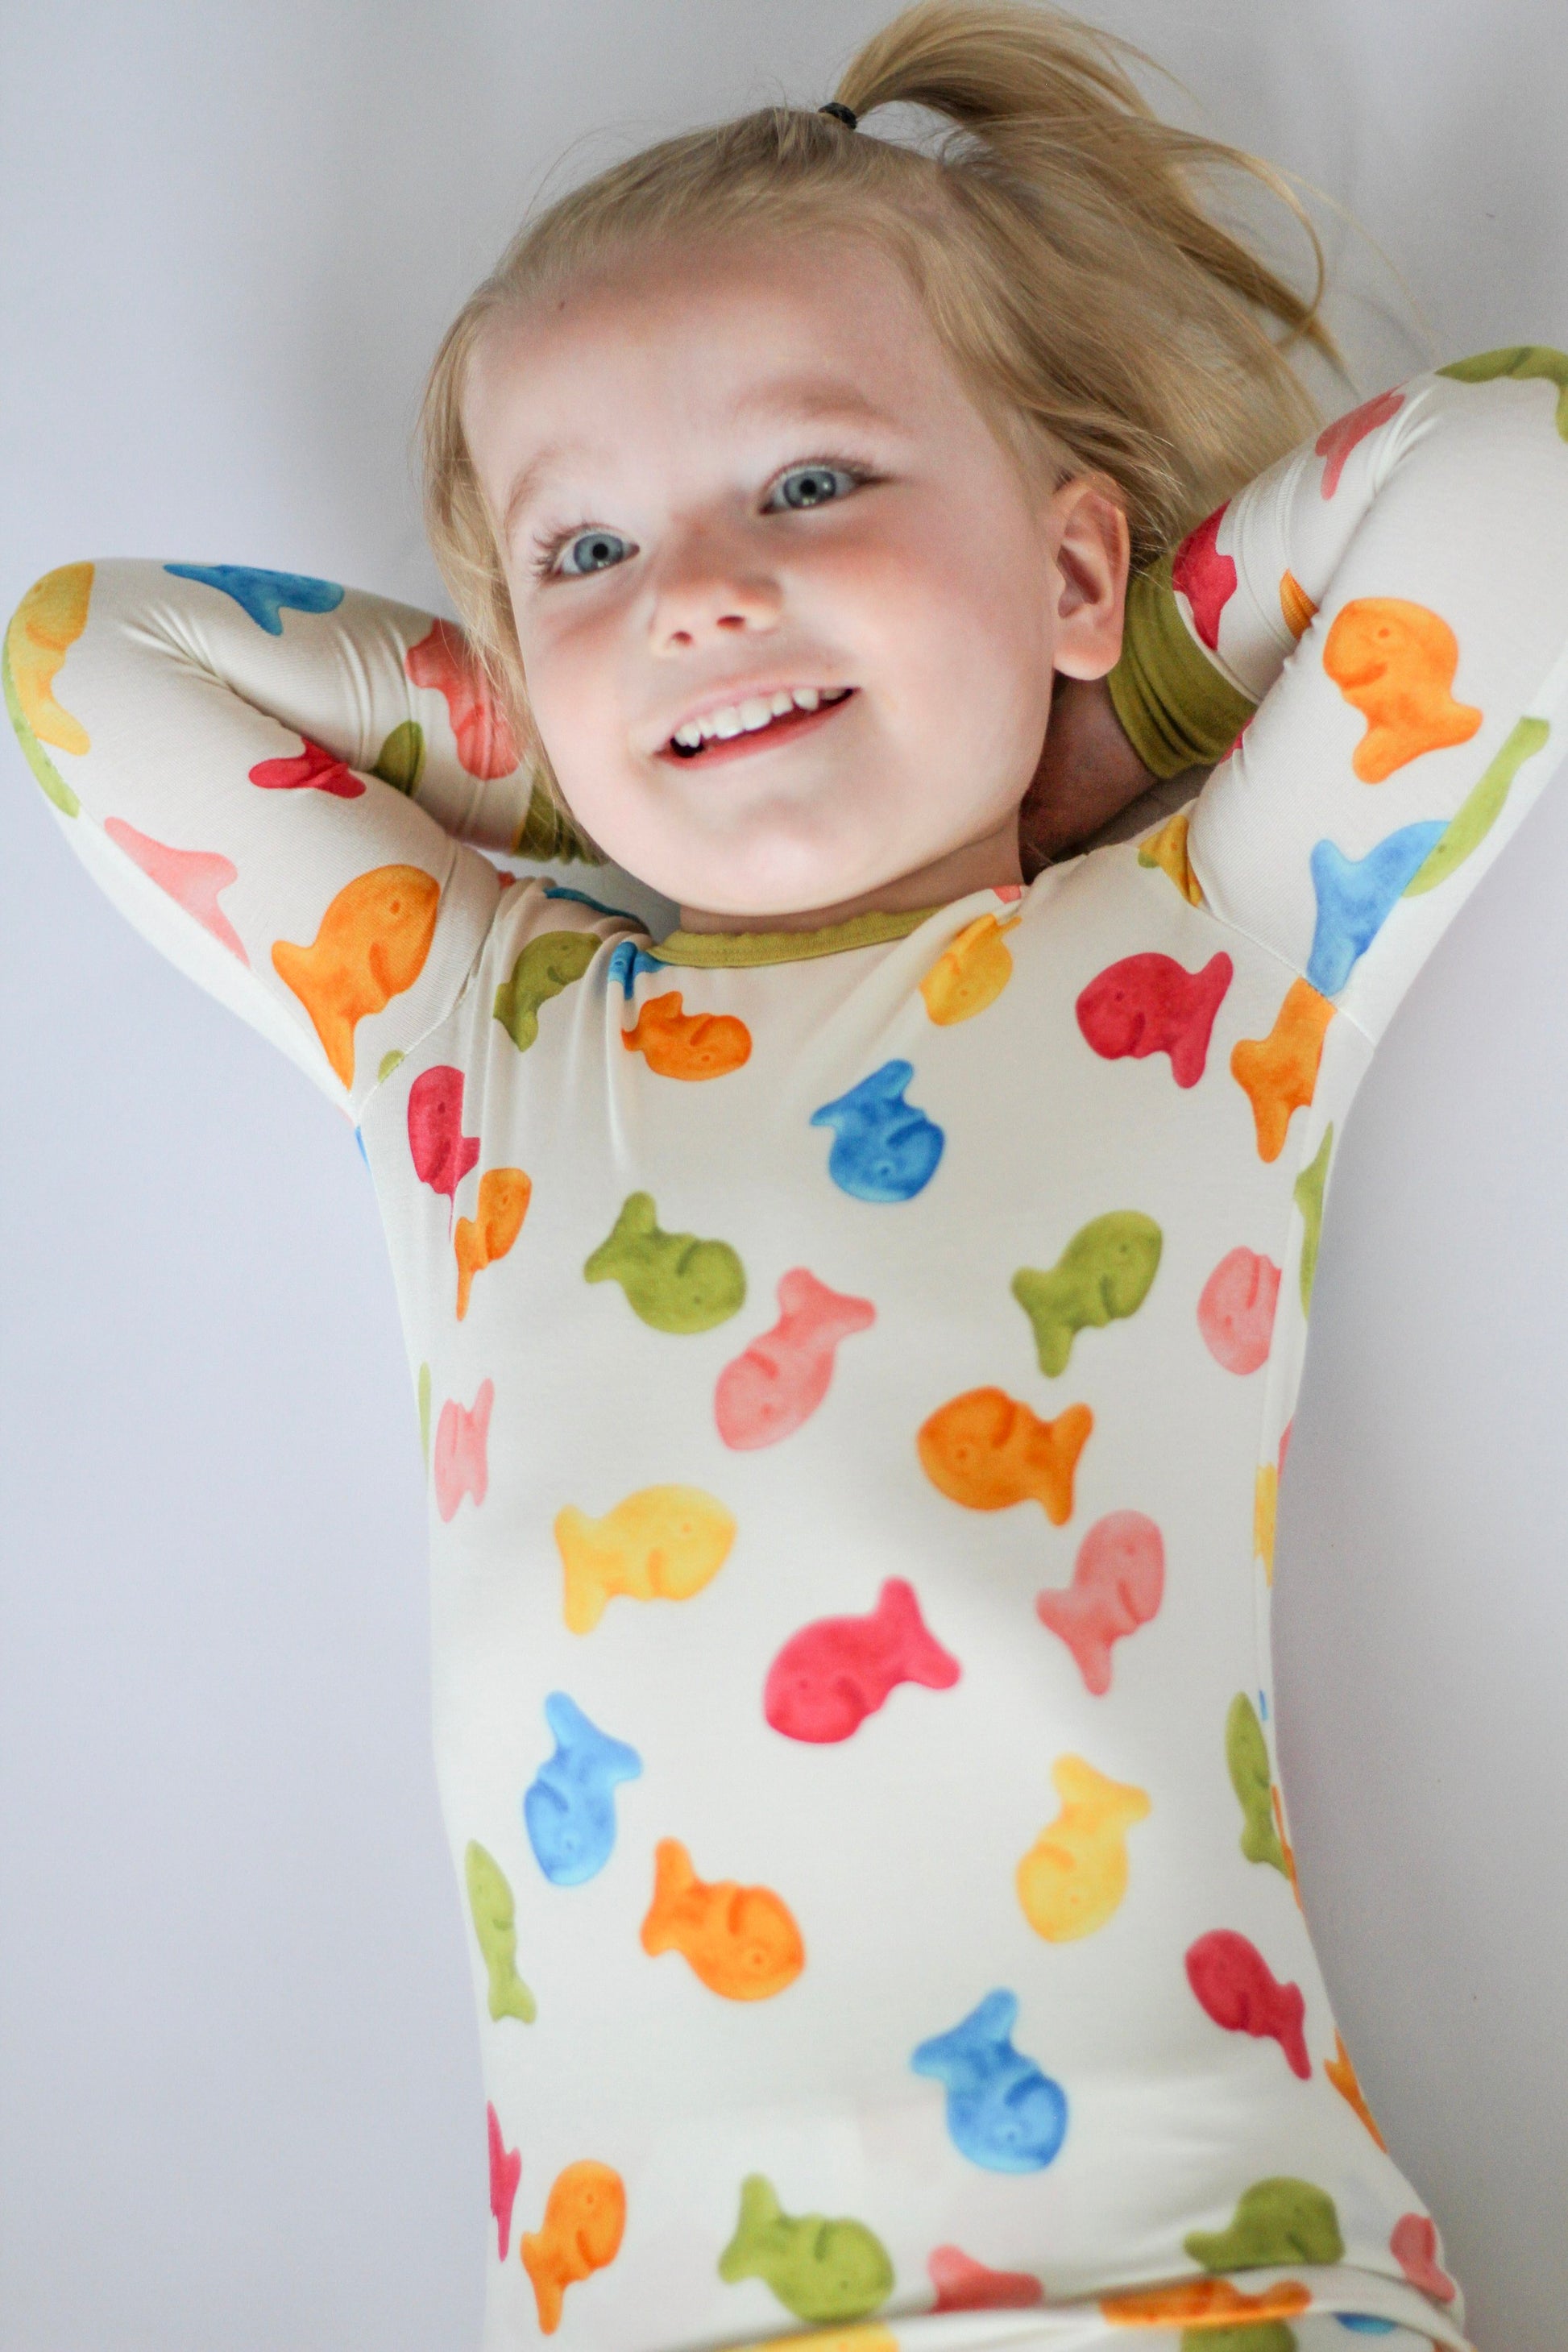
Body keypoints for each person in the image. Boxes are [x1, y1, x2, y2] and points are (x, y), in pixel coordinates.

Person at [7, 3, 1566, 2346]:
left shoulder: (1199, 953)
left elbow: (1514, 471)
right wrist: (591, 749)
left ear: (1073, 565)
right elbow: (87, 659)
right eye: (589, 549)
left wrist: (1097, 703)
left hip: (1198, 2270)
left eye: (812, 485)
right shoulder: (473, 1025)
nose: (696, 593)